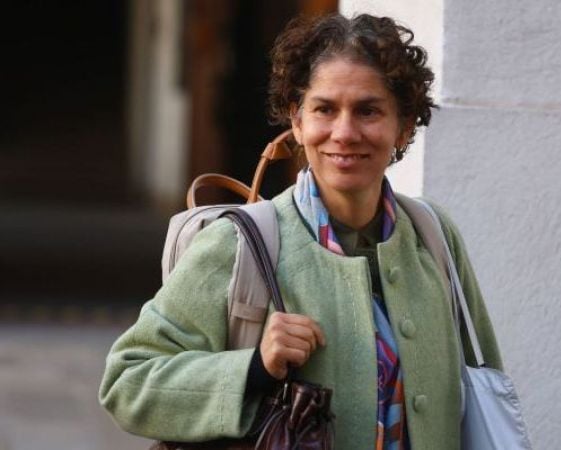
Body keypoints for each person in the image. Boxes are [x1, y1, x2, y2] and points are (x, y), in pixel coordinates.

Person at [99, 13, 503, 450]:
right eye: (324, 109)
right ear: (297, 121)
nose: (344, 133)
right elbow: (127, 382)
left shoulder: (434, 236)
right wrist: (254, 368)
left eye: (368, 110)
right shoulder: (240, 244)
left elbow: (484, 385)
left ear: (403, 126)